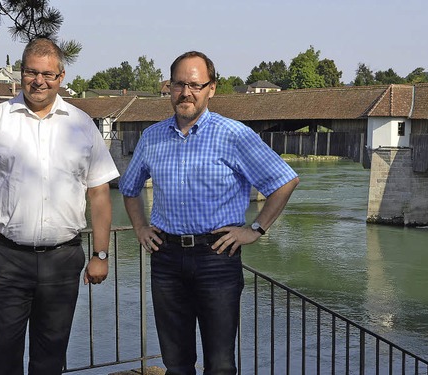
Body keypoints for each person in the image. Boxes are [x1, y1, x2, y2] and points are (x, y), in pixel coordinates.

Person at [119, 51, 299, 375]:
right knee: (176, 363)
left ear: (211, 88)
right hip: (166, 257)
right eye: (178, 84)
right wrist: (140, 228)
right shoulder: (152, 137)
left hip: (217, 257)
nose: (185, 92)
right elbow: (129, 188)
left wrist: (255, 230)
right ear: (169, 88)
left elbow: (285, 180)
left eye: (194, 84)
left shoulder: (234, 134)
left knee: (219, 364)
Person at [0, 38, 119, 375]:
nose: (38, 81)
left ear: (61, 76)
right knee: (3, 353)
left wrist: (101, 255)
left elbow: (99, 194)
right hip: (5, 259)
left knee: (51, 354)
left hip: (62, 259)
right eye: (31, 72)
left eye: (47, 74)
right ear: (20, 73)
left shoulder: (82, 125)